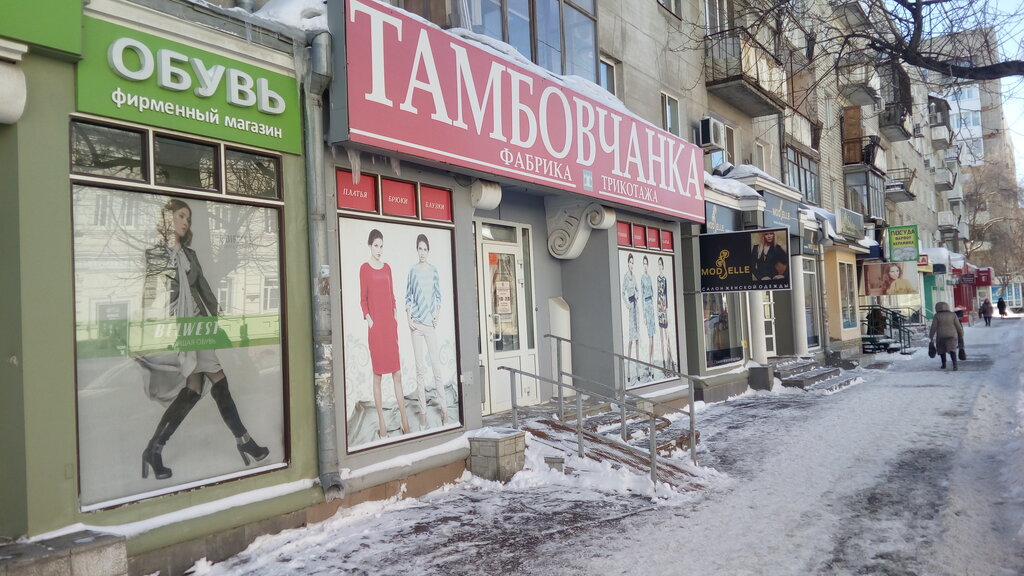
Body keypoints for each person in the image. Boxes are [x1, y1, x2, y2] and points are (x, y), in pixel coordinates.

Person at [139, 199, 268, 480]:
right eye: (181, 216)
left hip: (198, 325)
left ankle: (154, 448)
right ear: (168, 218)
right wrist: (146, 327)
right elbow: (150, 294)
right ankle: (243, 440)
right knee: (212, 381)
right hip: (178, 328)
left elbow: (203, 287)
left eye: (188, 218)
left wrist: (219, 314)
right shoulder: (157, 254)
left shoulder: (190, 255)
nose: (186, 222)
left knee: (197, 388)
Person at [361, 229, 411, 438]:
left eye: (381, 246)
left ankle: (405, 421)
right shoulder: (365, 269)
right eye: (376, 245)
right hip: (376, 328)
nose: (379, 250)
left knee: (397, 374)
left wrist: (395, 313)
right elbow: (363, 299)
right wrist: (369, 319)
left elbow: (391, 295)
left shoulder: (387, 268)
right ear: (370, 246)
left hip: (390, 327)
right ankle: (382, 422)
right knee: (378, 376)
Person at [405, 234, 448, 428]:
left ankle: (444, 410)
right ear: (417, 250)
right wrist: (409, 319)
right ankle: (423, 413)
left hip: (429, 325)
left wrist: (436, 316)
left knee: (436, 369)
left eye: (425, 249)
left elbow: (438, 296)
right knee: (420, 370)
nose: (422, 252)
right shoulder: (412, 271)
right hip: (416, 326)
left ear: (428, 251)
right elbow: (408, 297)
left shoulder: (433, 271)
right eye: (420, 249)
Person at [929, 301, 965, 371]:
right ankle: (955, 365)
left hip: (941, 335)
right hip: (952, 335)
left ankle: (944, 364)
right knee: (952, 350)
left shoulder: (937, 316)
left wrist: (931, 336)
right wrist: (961, 334)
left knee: (941, 350)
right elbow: (958, 326)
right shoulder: (953, 315)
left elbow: (934, 327)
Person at [622, 254, 640, 385]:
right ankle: (628, 371)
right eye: (630, 262)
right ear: (627, 263)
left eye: (633, 262)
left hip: (636, 307)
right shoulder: (626, 277)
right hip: (630, 307)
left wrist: (637, 295)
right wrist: (626, 303)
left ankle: (638, 372)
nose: (632, 265)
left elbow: (637, 290)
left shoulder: (634, 277)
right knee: (630, 340)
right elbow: (623, 292)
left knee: (637, 339)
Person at [656, 257, 675, 372]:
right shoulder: (657, 279)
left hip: (664, 308)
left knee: (667, 336)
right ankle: (664, 363)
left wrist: (666, 309)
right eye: (658, 264)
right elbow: (657, 295)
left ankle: (670, 362)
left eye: (660, 264)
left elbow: (665, 295)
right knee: (661, 338)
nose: (659, 266)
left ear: (663, 266)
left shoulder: (664, 279)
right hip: (659, 308)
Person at [641, 255, 656, 381]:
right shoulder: (642, 278)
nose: (645, 266)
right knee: (650, 338)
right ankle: (650, 365)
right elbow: (642, 296)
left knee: (653, 337)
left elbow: (652, 293)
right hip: (646, 306)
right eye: (644, 263)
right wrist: (644, 315)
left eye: (646, 263)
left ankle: (652, 363)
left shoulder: (650, 277)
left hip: (651, 306)